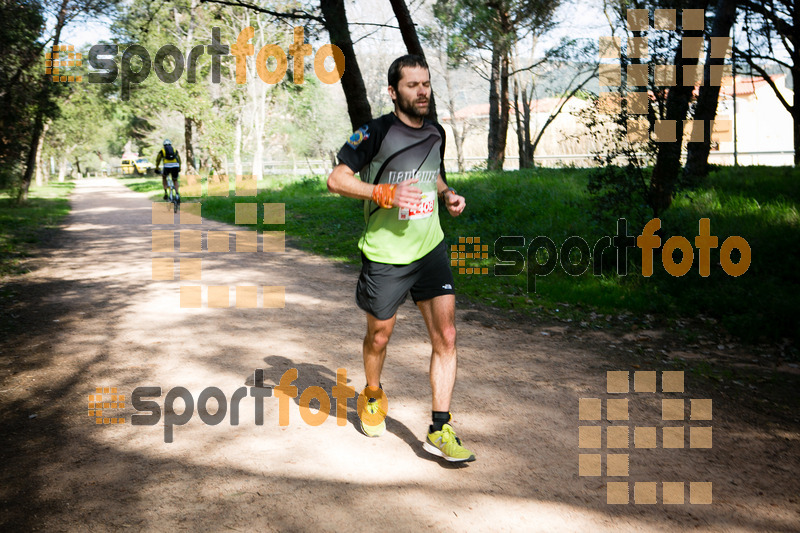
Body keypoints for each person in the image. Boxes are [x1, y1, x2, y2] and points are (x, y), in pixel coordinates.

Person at [326, 55, 475, 463]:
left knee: (446, 337)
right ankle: (372, 393)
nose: (423, 91)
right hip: (386, 256)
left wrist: (446, 194)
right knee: (379, 336)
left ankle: (440, 428)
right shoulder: (373, 132)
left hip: (430, 249)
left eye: (426, 83)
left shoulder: (435, 132)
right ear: (394, 91)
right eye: (413, 85)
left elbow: (434, 173)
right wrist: (381, 194)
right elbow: (336, 179)